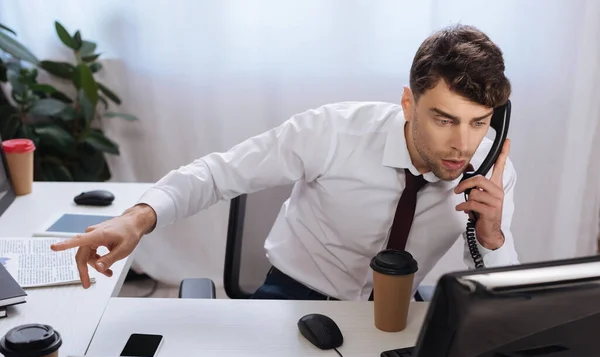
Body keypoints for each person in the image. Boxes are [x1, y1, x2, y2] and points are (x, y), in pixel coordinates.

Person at [51, 24, 519, 301]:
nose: (462, 144)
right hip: (295, 297)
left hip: (395, 310)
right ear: (407, 104)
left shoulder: (489, 170)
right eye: (444, 119)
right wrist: (139, 218)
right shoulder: (333, 132)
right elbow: (219, 174)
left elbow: (498, 305)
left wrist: (493, 237)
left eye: (479, 122)